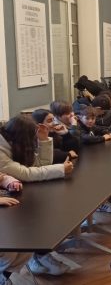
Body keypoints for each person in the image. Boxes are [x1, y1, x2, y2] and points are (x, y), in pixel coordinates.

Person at [0, 116, 73, 276]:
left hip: (14, 194)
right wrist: (60, 169)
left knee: (38, 221)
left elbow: (39, 165)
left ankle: (38, 257)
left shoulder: (13, 142)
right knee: (14, 247)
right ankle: (12, 272)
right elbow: (26, 173)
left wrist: (44, 139)